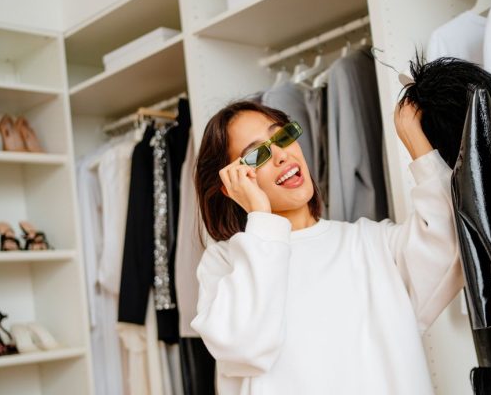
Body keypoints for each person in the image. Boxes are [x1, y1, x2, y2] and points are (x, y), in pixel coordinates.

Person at [191, 100, 463, 394]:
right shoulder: (226, 264)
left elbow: (454, 240)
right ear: (230, 186)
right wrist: (261, 218)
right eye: (257, 155)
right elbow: (245, 347)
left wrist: (415, 139)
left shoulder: (373, 245)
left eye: (282, 136)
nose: (282, 155)